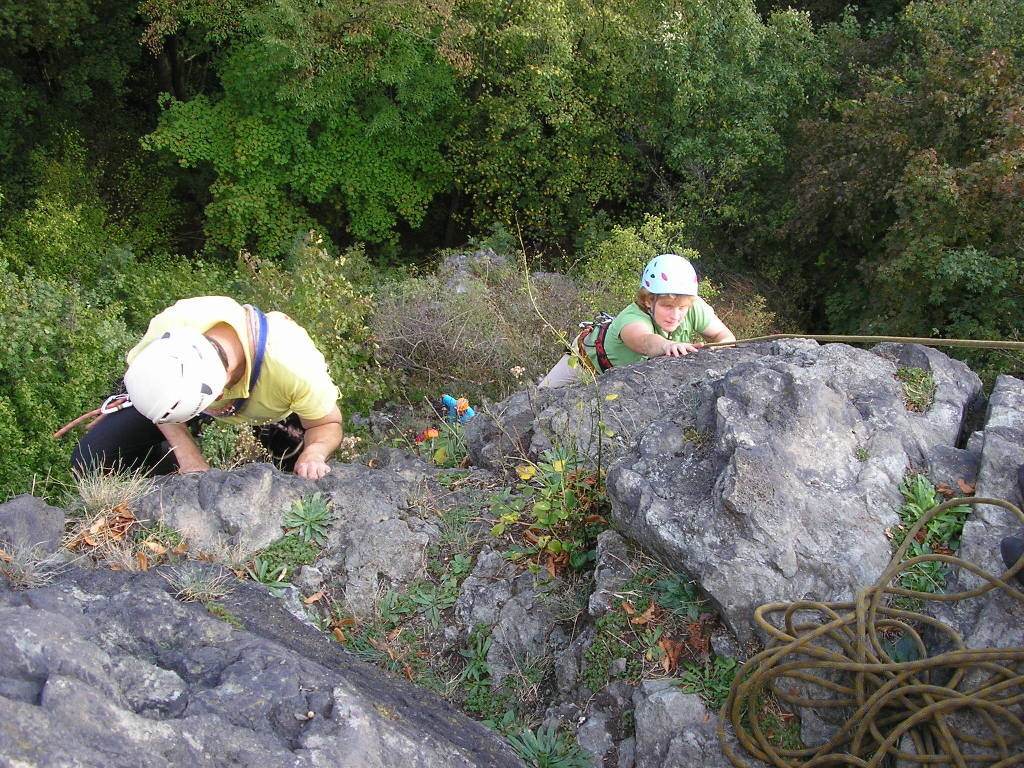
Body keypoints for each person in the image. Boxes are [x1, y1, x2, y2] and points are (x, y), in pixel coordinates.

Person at [72, 296, 343, 480]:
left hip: (271, 406)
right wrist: (186, 454)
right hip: (179, 391)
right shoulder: (168, 330)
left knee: (294, 478)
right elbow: (156, 404)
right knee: (91, 459)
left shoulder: (294, 368)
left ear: (220, 398)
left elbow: (326, 423)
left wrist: (313, 454)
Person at [539, 253, 736, 388]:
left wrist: (716, 350)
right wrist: (670, 345)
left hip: (621, 383)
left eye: (682, 307)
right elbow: (645, 342)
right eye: (667, 306)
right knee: (539, 400)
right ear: (649, 300)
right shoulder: (631, 318)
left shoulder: (693, 306)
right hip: (584, 363)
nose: (676, 315)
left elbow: (724, 336)